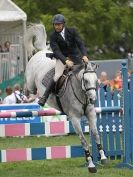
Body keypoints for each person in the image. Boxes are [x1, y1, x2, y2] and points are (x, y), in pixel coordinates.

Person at [38, 14, 89, 106]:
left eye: (59, 24)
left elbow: (80, 43)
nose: (57, 26)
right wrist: (65, 61)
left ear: (63, 24)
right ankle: (44, 97)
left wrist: (84, 55)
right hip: (61, 58)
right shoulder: (53, 36)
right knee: (57, 76)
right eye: (55, 24)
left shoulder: (72, 31)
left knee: (86, 73)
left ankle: (89, 95)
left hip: (75, 57)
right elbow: (56, 51)